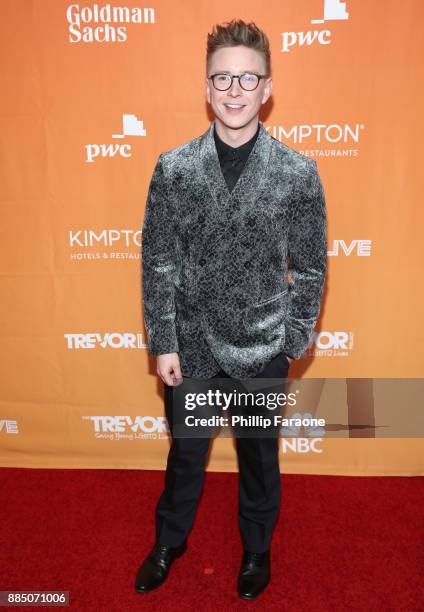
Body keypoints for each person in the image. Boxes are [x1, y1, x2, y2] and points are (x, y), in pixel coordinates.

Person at [135, 18, 327, 600]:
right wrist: (163, 341)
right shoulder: (173, 169)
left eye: (248, 78)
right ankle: (170, 541)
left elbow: (312, 267)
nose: (235, 90)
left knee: (259, 461)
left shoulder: (298, 172)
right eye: (224, 78)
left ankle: (257, 550)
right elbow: (158, 263)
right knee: (186, 458)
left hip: (263, 345)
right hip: (191, 346)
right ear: (207, 86)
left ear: (267, 88)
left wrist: (291, 343)